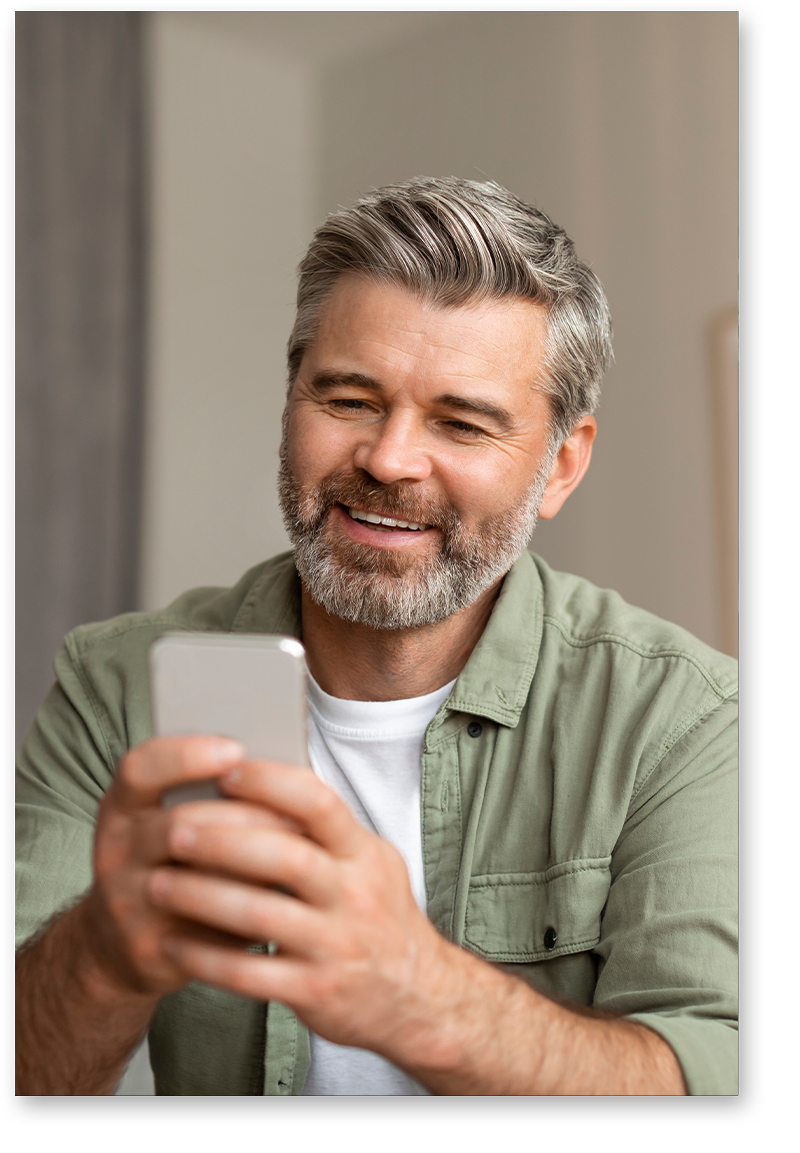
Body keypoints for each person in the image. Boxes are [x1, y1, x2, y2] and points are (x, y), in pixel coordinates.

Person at [15, 177, 737, 1096]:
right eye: (349, 399)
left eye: (461, 422)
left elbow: (722, 1085)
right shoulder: (114, 684)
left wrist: (426, 997)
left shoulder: (688, 719)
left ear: (561, 465)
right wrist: (106, 947)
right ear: (290, 403)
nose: (389, 459)